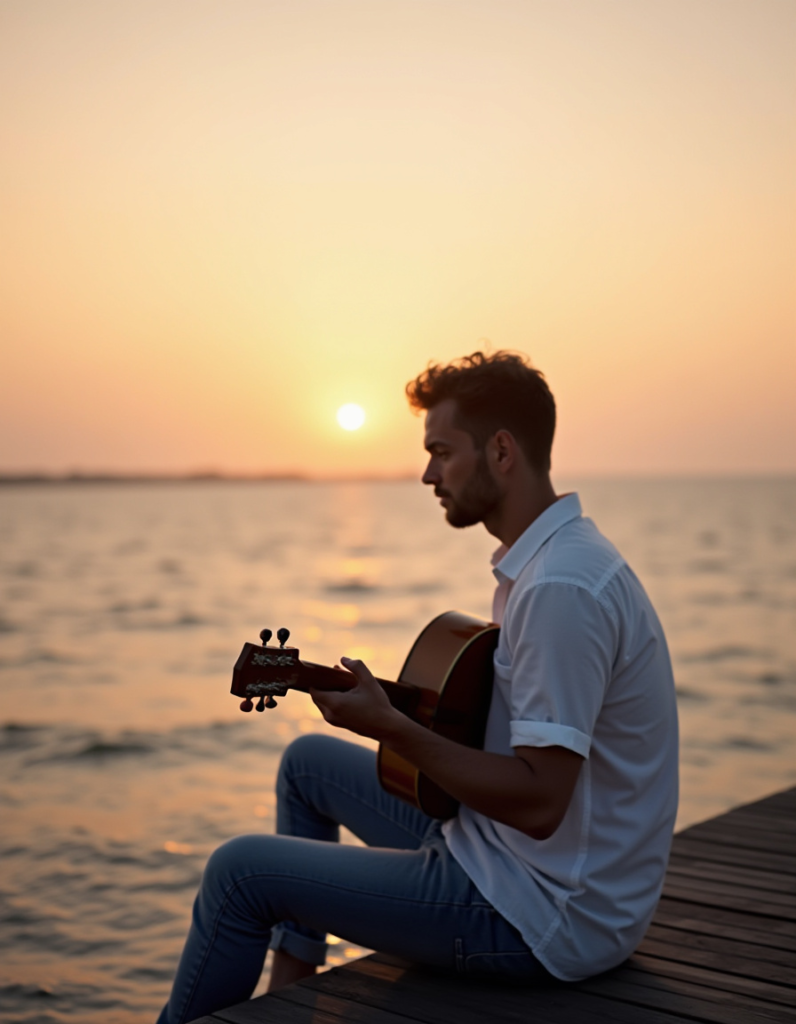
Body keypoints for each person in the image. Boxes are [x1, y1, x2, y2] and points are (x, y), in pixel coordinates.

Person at [156, 351, 678, 1024]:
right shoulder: (550, 563)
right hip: (518, 863)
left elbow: (542, 801)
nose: (427, 473)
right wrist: (405, 714)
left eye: (441, 451)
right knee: (305, 764)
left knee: (238, 874)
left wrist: (393, 728)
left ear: (500, 451)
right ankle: (292, 991)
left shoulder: (560, 590)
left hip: (544, 915)